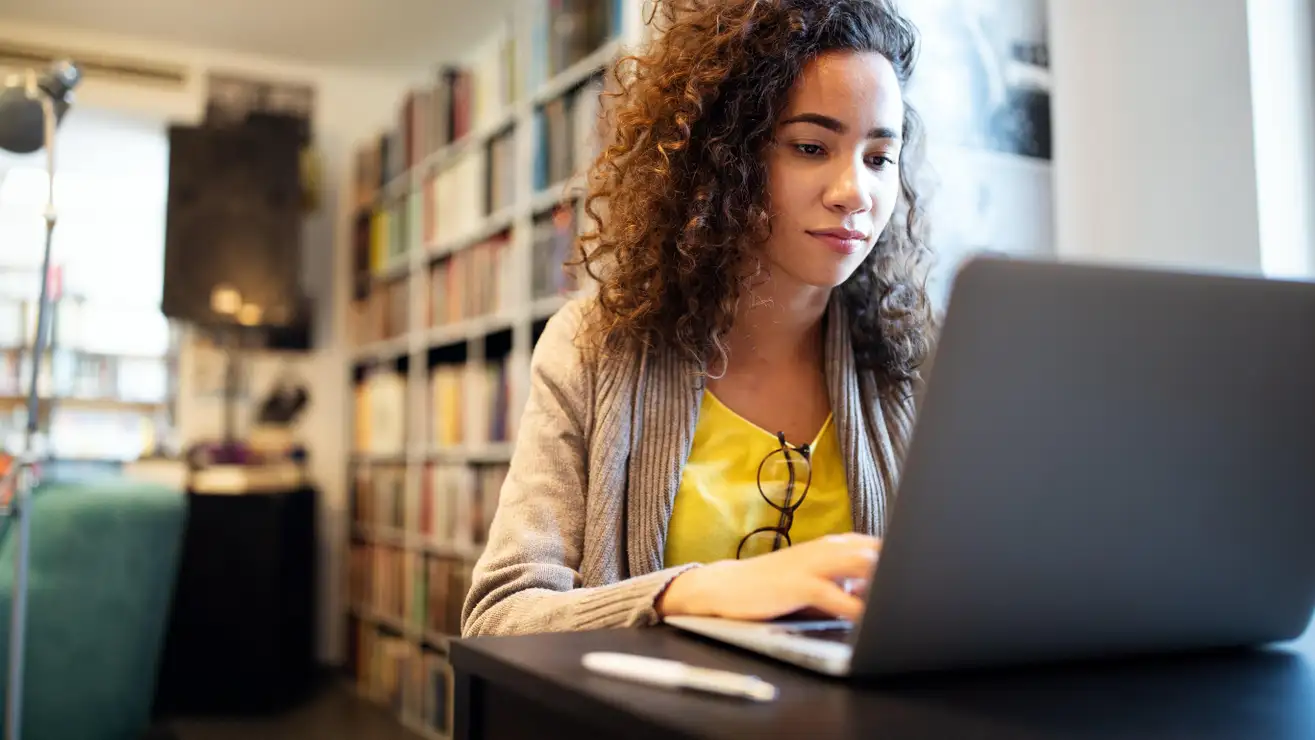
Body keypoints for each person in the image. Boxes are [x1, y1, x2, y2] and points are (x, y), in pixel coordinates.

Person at [461, 0, 935, 637]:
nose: (854, 191)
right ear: (724, 157)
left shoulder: (917, 364)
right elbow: (498, 617)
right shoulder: (591, 347)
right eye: (811, 146)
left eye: (879, 158)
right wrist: (693, 592)